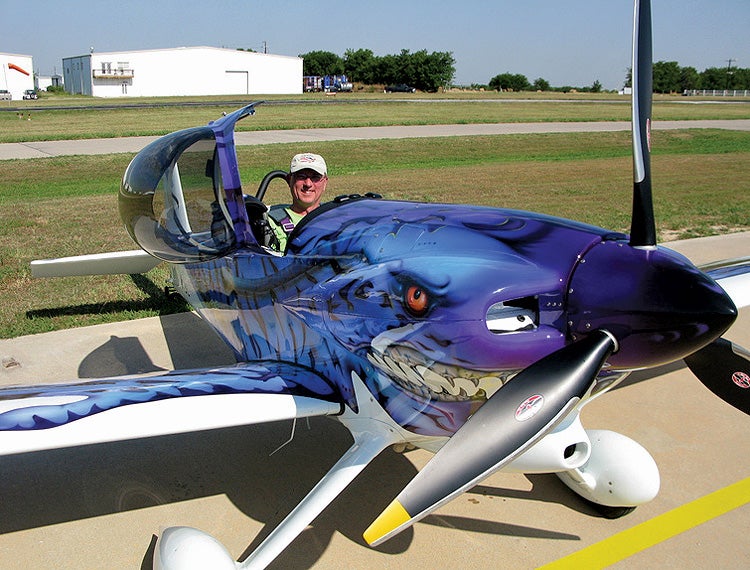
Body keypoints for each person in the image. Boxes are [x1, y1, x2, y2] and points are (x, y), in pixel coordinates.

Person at [267, 153, 328, 251]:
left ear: (325, 182)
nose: (308, 184)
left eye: (315, 177)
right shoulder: (270, 222)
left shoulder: (336, 218)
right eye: (301, 176)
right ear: (289, 180)